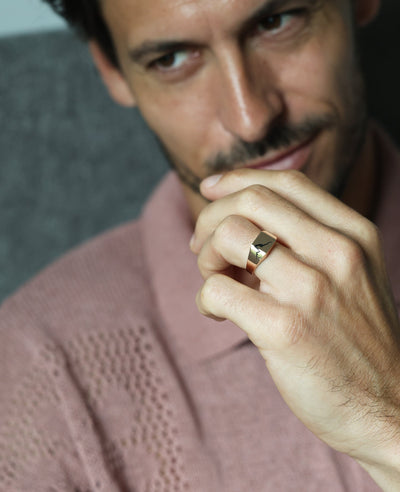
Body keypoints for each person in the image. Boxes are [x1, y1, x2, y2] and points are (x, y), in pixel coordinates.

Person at [0, 0, 399, 490]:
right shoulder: (33, 371)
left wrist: (384, 423)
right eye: (171, 59)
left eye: (275, 22)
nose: (251, 118)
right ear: (112, 70)